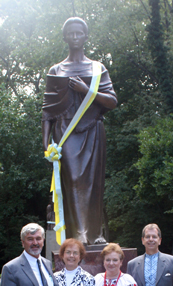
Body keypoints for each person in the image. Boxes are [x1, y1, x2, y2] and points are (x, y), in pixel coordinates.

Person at [42, 17, 117, 245]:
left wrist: (87, 91)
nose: (75, 37)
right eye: (71, 33)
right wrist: (46, 144)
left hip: (93, 130)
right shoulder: (57, 69)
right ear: (65, 37)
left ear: (85, 36)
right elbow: (47, 111)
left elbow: (112, 101)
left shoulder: (97, 68)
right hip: (66, 132)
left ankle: (95, 234)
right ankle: (79, 234)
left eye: (79, 33)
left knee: (94, 184)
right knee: (73, 180)